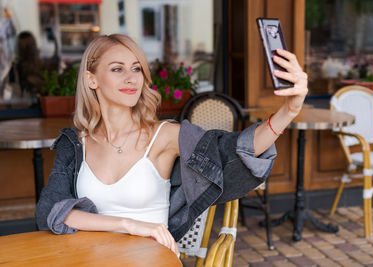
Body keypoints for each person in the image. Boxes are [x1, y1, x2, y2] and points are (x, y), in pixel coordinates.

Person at [35, 34, 308, 255]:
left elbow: (235, 149)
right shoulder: (76, 143)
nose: (131, 78)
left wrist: (289, 111)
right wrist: (129, 225)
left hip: (151, 260)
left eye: (137, 69)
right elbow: (51, 210)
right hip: (93, 259)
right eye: (117, 69)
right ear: (91, 79)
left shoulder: (164, 136)